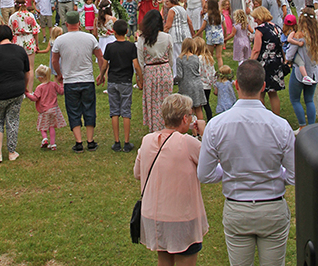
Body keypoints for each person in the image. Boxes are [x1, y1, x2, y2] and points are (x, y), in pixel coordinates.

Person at [198, 59, 295, 266]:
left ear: (236, 85)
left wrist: (229, 171)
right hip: (271, 206)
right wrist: (274, 175)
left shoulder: (217, 125)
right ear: (263, 87)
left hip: (238, 207)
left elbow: (205, 173)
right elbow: (295, 174)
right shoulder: (280, 126)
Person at [134, 93, 208, 266]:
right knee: (186, 259)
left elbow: (138, 173)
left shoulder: (147, 140)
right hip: (182, 217)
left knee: (164, 259)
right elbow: (210, 165)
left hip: (155, 215)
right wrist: (203, 134)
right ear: (184, 118)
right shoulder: (187, 143)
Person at [51, 10, 103, 152]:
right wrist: (101, 73)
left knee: (73, 110)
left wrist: (60, 74)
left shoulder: (60, 40)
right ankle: (90, 140)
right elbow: (100, 57)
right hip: (87, 78)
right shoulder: (90, 38)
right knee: (89, 108)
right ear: (79, 23)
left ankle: (79, 141)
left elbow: (55, 60)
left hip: (70, 80)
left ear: (66, 24)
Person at [0, 23, 31, 162]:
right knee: (13, 120)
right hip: (16, 91)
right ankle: (11, 151)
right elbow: (27, 73)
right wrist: (24, 87)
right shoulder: (20, 51)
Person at [97, 18, 143, 152]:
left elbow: (105, 64)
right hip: (126, 81)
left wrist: (101, 75)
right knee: (126, 111)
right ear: (127, 31)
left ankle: (117, 141)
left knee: (115, 111)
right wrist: (140, 78)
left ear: (114, 33)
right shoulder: (130, 46)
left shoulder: (110, 47)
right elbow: (136, 65)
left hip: (112, 81)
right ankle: (127, 142)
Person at [137, 9, 174, 133]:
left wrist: (141, 75)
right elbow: (171, 58)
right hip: (164, 70)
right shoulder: (167, 37)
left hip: (150, 72)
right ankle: (167, 128)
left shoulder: (142, 39)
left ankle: (155, 129)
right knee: (166, 101)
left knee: (153, 102)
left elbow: (141, 60)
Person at [250, 7, 286, 116]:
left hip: (264, 63)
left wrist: (250, 63)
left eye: (256, 18)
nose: (255, 20)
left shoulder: (260, 30)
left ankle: (262, 116)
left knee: (261, 92)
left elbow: (256, 49)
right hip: (277, 61)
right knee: (273, 93)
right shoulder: (277, 28)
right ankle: (276, 116)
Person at [25, 64, 65, 151]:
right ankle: (53, 144)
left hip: (44, 110)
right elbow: (61, 92)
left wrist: (27, 94)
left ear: (40, 78)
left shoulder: (39, 87)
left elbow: (35, 98)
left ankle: (45, 139)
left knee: (43, 126)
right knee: (51, 126)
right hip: (54, 109)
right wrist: (61, 83)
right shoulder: (54, 85)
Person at [9, 0, 40, 79]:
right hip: (29, 40)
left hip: (17, 41)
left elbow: (10, 31)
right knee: (30, 68)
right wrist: (37, 44)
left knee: (18, 67)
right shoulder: (30, 15)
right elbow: (35, 31)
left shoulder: (13, 17)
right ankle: (29, 90)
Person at [164, 0, 194, 75]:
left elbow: (168, 25)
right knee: (186, 54)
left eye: (167, 1)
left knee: (176, 55)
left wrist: (162, 34)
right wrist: (193, 33)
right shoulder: (182, 8)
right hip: (186, 34)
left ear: (172, 1)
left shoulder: (172, 10)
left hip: (176, 34)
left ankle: (176, 74)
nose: (165, 3)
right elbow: (189, 22)